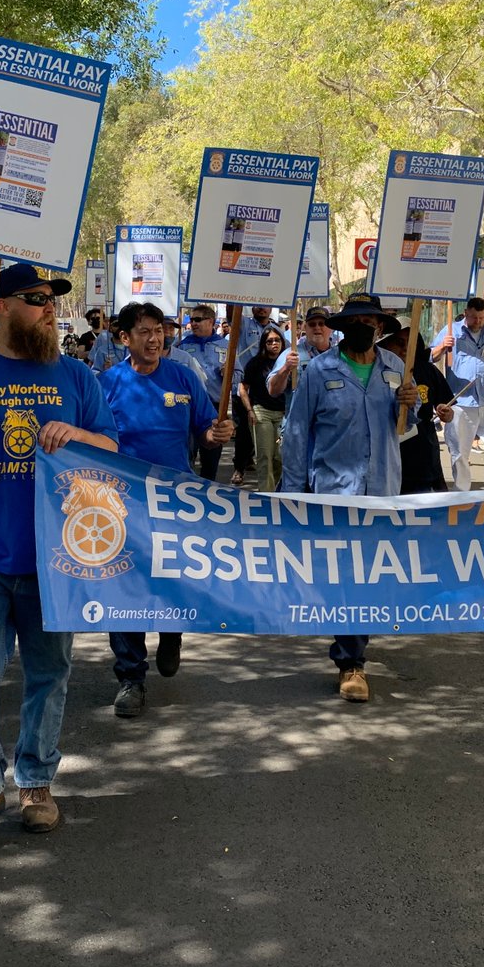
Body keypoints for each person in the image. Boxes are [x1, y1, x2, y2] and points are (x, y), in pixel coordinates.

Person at [0, 263, 118, 855]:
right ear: (0, 308)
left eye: (52, 299)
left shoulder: (77, 376)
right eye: (34, 299)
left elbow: (111, 450)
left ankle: (36, 783)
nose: (48, 307)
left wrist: (76, 435)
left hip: (56, 557)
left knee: (48, 674)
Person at [280, 293, 417, 702]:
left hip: (382, 491)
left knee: (372, 576)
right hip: (335, 493)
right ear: (343, 326)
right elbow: (298, 434)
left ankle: (354, 650)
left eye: (369, 320)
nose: (362, 326)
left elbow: (405, 430)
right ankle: (351, 661)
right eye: (353, 319)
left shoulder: (397, 369)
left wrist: (413, 405)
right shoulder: (318, 371)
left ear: (378, 326)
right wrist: (292, 494)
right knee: (346, 576)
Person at [101, 302, 233, 717]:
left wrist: (216, 433)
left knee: (170, 582)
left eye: (159, 330)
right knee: (124, 590)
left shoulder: (183, 377)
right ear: (125, 338)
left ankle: (171, 633)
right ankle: (130, 678)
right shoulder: (107, 384)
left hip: (176, 502)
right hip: (122, 505)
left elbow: (206, 433)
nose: (155, 338)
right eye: (144, 331)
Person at [431, 298, 484, 491]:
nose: (478, 322)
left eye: (481, 318)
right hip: (460, 402)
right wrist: (443, 346)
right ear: (466, 313)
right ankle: (462, 490)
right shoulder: (452, 331)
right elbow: (430, 357)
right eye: (474, 317)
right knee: (460, 450)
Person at [378, 319, 454, 493]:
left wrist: (446, 413)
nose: (405, 348)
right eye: (399, 343)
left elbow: (448, 409)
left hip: (422, 458)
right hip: (387, 458)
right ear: (385, 343)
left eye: (410, 342)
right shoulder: (375, 372)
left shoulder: (427, 370)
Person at [177, 304, 232, 480]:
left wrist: (228, 374)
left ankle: (209, 494)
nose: (193, 323)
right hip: (188, 406)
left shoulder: (226, 346)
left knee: (211, 458)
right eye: (192, 320)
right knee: (187, 454)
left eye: (198, 319)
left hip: (215, 407)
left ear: (211, 321)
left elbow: (239, 375)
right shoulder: (182, 347)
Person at [238, 325, 286, 491]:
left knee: (280, 457)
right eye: (270, 341)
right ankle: (267, 496)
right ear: (264, 344)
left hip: (283, 415)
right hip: (261, 412)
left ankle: (279, 493)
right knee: (264, 456)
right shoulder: (255, 363)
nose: (274, 343)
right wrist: (249, 410)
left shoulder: (288, 361)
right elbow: (242, 388)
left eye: (277, 340)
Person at [266, 305, 334, 414]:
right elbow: (273, 390)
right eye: (312, 324)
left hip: (330, 426)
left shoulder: (339, 356)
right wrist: (286, 368)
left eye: (322, 324)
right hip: (300, 427)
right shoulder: (291, 354)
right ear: (305, 328)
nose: (317, 327)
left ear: (330, 328)